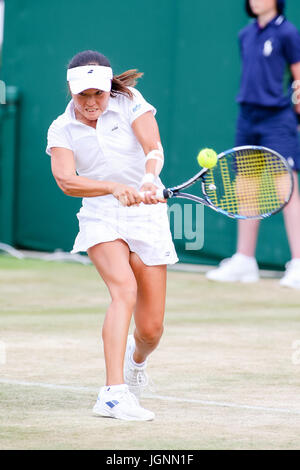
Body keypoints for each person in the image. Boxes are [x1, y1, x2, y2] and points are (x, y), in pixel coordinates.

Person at [46, 50, 178, 421]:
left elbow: (153, 147)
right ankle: (113, 393)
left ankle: (137, 364)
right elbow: (66, 180)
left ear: (108, 89)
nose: (90, 103)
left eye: (98, 94)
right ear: (70, 91)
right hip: (100, 217)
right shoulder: (61, 128)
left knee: (151, 330)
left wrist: (149, 179)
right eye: (82, 95)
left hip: (148, 215)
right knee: (124, 291)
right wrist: (112, 187)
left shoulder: (130, 101)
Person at [206, 0, 300, 288]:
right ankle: (244, 261)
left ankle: (298, 264)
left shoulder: (288, 33)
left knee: (287, 190)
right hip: (247, 117)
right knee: (245, 187)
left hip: (279, 120)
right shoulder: (245, 34)